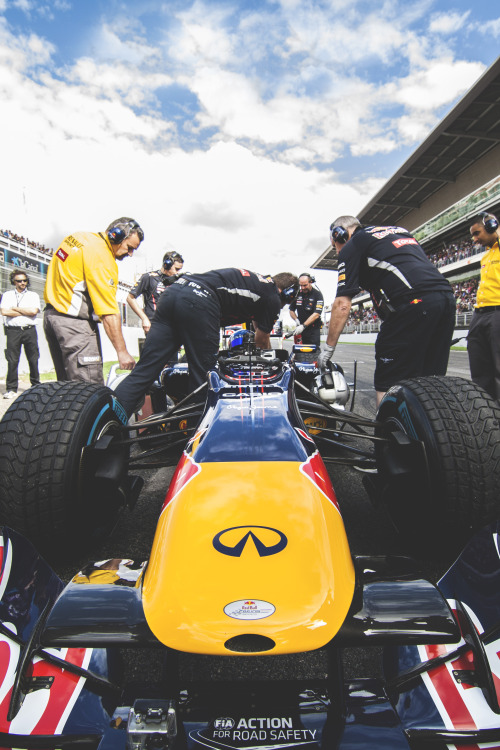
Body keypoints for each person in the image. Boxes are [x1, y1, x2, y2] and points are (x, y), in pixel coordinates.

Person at [115, 268, 299, 417]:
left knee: (145, 370)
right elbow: (261, 340)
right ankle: (195, 431)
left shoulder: (259, 285)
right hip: (199, 300)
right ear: (288, 294)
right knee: (204, 376)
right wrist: (269, 361)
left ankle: (109, 422)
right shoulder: (273, 296)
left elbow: (258, 323)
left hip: (172, 294)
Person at [318, 215, 456, 407]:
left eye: (335, 246)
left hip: (412, 303)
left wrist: (329, 348)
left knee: (388, 380)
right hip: (446, 298)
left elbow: (342, 303)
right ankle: (434, 428)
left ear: (339, 235)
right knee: (431, 379)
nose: (336, 250)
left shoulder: (352, 244)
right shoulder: (399, 231)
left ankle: (386, 430)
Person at [44, 217, 144, 384]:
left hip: (52, 318)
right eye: (129, 247)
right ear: (116, 236)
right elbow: (109, 313)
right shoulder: (102, 257)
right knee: (88, 392)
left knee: (66, 389)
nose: (130, 253)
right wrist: (122, 352)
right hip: (74, 326)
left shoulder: (79, 238)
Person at [466, 212, 500, 399]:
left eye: (477, 233)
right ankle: (487, 412)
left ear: (491, 226)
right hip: (480, 314)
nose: (475, 239)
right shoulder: (486, 257)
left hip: (497, 312)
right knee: (479, 368)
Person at [1, 270, 40, 399]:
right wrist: (25, 311)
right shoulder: (7, 295)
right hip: (13, 331)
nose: (23, 283)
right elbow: (4, 311)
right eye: (19, 281)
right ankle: (11, 388)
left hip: (29, 330)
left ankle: (36, 386)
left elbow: (34, 311)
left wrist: (16, 308)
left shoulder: (33, 295)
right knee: (12, 360)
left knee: (33, 359)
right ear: (14, 282)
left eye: (25, 280)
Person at [126, 251, 184, 334]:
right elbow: (130, 298)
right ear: (166, 265)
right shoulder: (149, 277)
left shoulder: (178, 281)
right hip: (154, 327)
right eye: (176, 269)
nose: (177, 273)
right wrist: (144, 318)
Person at [289, 273, 324, 346]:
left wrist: (304, 326)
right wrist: (296, 319)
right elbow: (291, 310)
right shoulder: (298, 294)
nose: (303, 288)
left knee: (313, 352)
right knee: (299, 352)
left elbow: (316, 314)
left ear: (310, 282)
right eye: (301, 285)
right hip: (300, 329)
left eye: (305, 285)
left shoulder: (317, 295)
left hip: (313, 330)